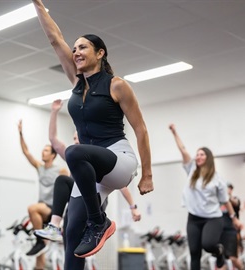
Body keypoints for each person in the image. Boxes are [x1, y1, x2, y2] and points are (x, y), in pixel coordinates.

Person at [32, 1, 153, 268]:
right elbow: (55, 39)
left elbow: (141, 129)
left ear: (100, 53)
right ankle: (93, 223)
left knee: (74, 152)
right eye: (74, 49)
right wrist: (37, 4)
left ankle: (99, 221)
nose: (75, 52)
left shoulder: (117, 85)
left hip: (118, 160)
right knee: (71, 236)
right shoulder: (76, 83)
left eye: (82, 47)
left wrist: (147, 175)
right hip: (90, 171)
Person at [34, 100, 142, 243]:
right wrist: (54, 112)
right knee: (62, 181)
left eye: (77, 138)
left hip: (95, 200)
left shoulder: (97, 157)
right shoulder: (72, 155)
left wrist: (133, 207)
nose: (76, 141)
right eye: (73, 139)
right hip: (76, 201)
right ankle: (54, 226)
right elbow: (53, 140)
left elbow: (122, 185)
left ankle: (98, 221)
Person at [169, 124, 241, 270]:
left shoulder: (217, 179)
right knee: (194, 253)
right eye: (197, 154)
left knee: (208, 245)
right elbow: (183, 150)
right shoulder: (192, 170)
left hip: (212, 218)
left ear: (208, 158)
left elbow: (225, 200)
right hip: (194, 218)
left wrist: (234, 218)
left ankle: (219, 253)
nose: (198, 156)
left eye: (202, 154)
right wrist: (175, 132)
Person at [17, 119, 68, 269]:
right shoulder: (40, 167)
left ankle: (40, 240)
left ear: (53, 155)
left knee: (32, 208)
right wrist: (20, 133)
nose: (42, 152)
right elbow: (26, 152)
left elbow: (68, 188)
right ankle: (40, 251)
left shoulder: (61, 170)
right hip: (43, 208)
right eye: (43, 150)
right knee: (40, 256)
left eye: (46, 150)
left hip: (54, 209)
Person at [220, 184, 243, 270]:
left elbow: (235, 202)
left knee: (233, 258)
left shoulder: (235, 200)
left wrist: (226, 196)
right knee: (221, 261)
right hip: (221, 232)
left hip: (231, 232)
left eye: (228, 189)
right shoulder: (220, 202)